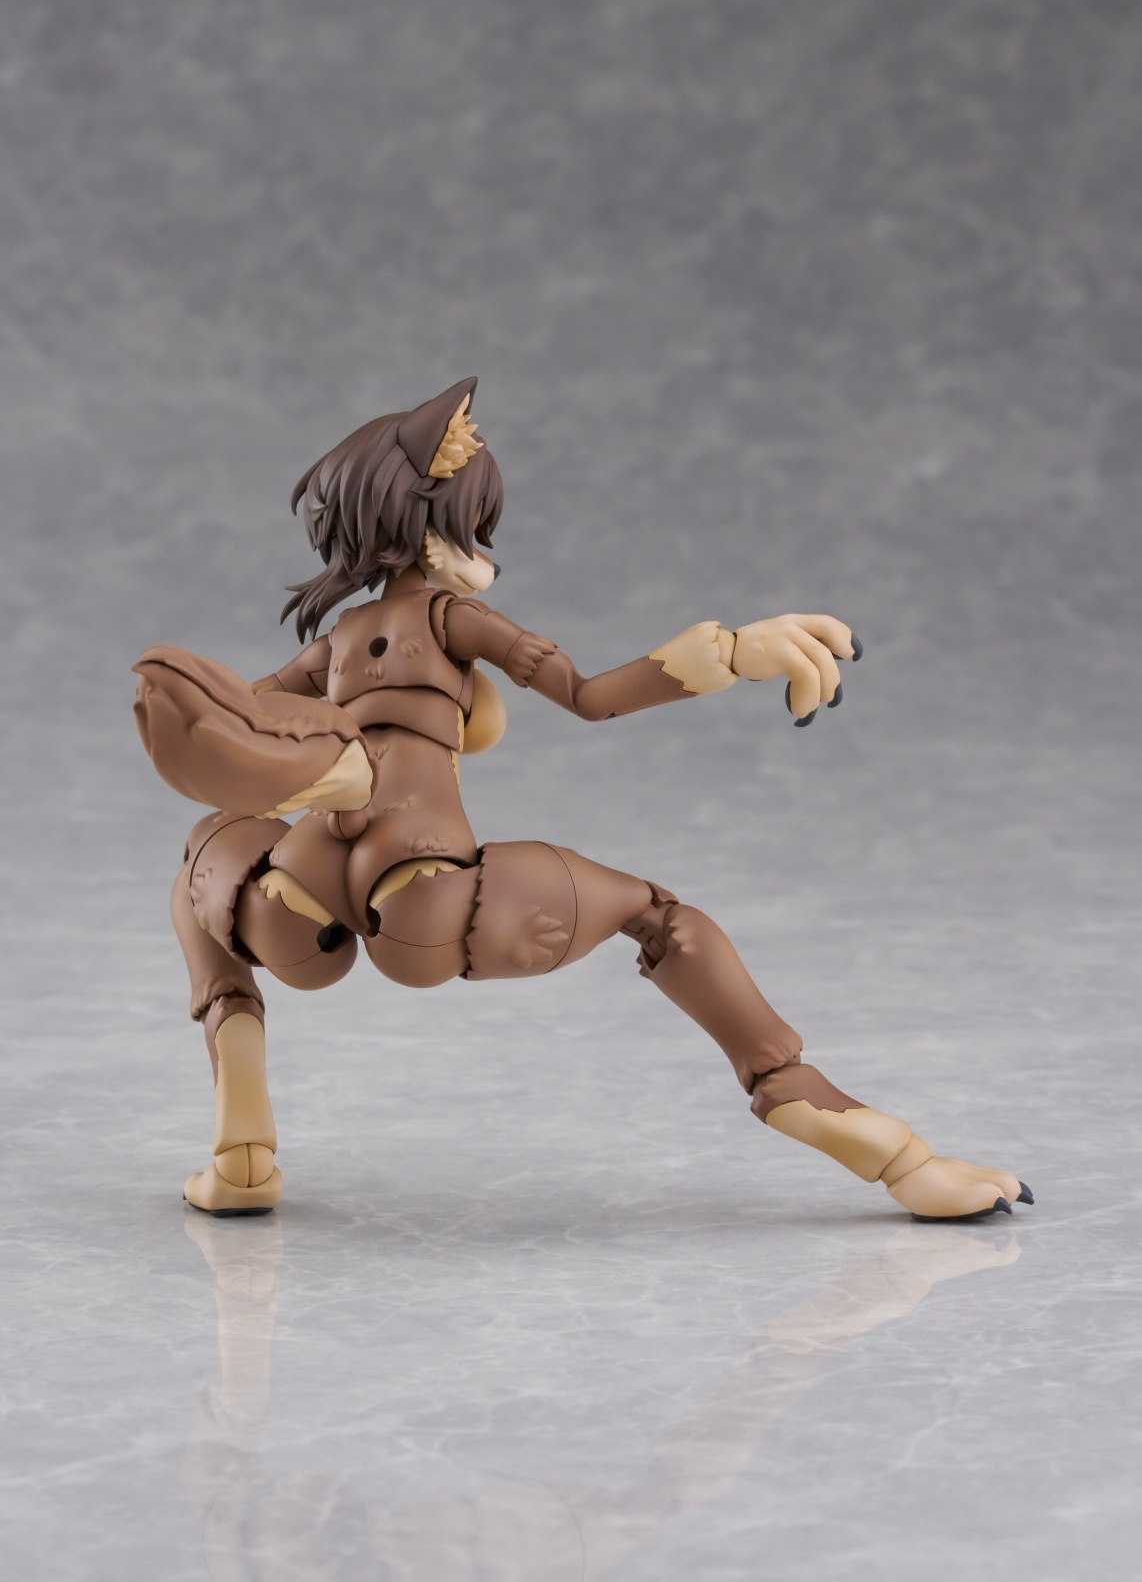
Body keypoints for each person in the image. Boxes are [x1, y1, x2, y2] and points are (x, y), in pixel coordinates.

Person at [134, 377, 1031, 1223]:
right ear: (429, 527)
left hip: (297, 893)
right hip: (428, 885)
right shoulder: (452, 618)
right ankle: (842, 1123)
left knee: (202, 856)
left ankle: (241, 1149)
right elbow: (592, 697)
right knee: (656, 915)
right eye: (470, 524)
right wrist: (731, 652)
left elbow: (237, 717)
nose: (483, 549)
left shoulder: (338, 640)